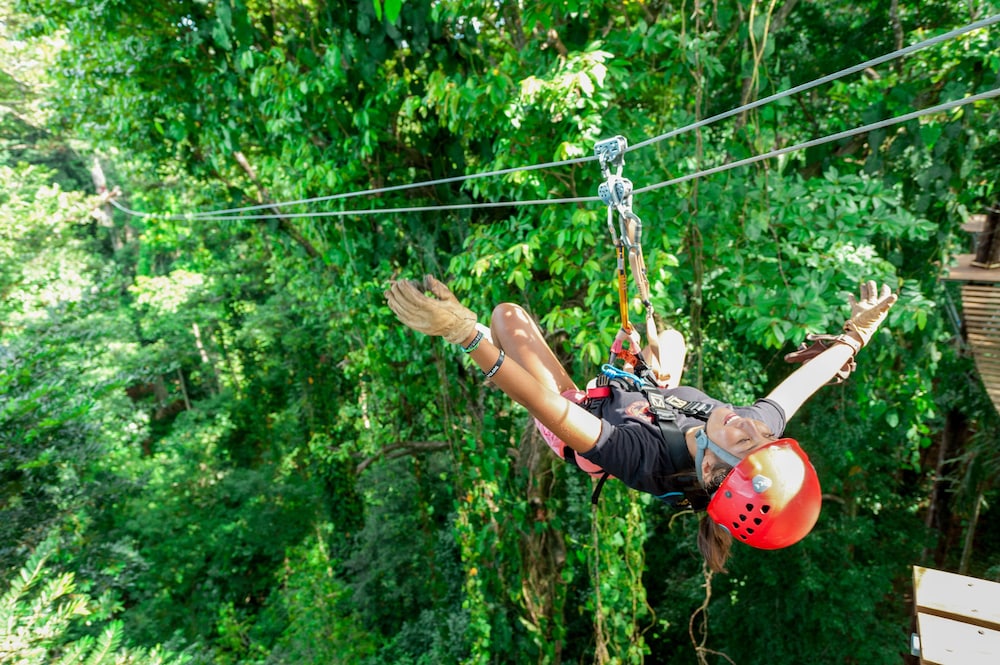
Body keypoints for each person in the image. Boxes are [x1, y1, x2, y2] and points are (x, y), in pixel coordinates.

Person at [386, 276, 898, 571]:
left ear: (716, 475)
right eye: (767, 435)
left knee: (506, 317)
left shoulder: (644, 461)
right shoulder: (749, 434)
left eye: (748, 441)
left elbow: (552, 409)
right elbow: (799, 387)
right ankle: (660, 371)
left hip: (585, 418)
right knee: (669, 342)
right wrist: (856, 334)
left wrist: (466, 335)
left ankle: (651, 375)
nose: (751, 425)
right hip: (649, 396)